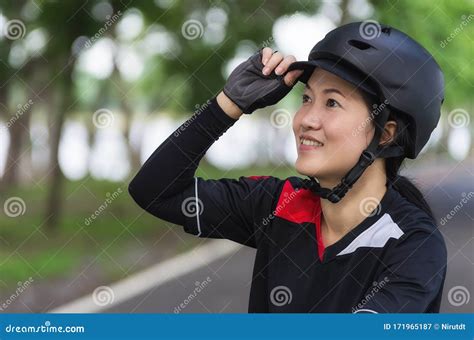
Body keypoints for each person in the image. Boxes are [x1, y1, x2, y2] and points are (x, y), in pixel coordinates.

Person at [128, 22, 447, 313]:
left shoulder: (413, 245)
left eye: (332, 103)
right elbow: (156, 192)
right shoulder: (278, 203)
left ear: (386, 133)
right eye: (306, 99)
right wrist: (227, 105)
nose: (306, 120)